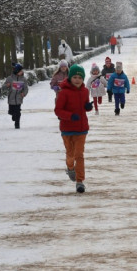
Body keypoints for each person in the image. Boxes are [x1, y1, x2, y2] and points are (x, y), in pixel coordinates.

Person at [54, 64, 93, 193]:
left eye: (80, 78)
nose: (77, 80)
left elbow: (85, 107)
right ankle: (70, 168)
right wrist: (70, 116)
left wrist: (88, 107)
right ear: (70, 78)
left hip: (81, 128)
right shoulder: (63, 92)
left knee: (79, 155)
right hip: (67, 129)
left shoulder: (85, 91)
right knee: (70, 154)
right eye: (75, 77)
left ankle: (80, 181)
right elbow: (58, 110)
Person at [4, 63, 29, 128]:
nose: (22, 72)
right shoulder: (10, 78)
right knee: (11, 112)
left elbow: (26, 88)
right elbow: (3, 87)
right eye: (20, 71)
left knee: (18, 112)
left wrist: (24, 93)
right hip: (11, 98)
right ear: (16, 71)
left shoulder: (23, 79)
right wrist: (6, 85)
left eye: (22, 71)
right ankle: (13, 115)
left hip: (19, 98)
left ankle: (17, 124)